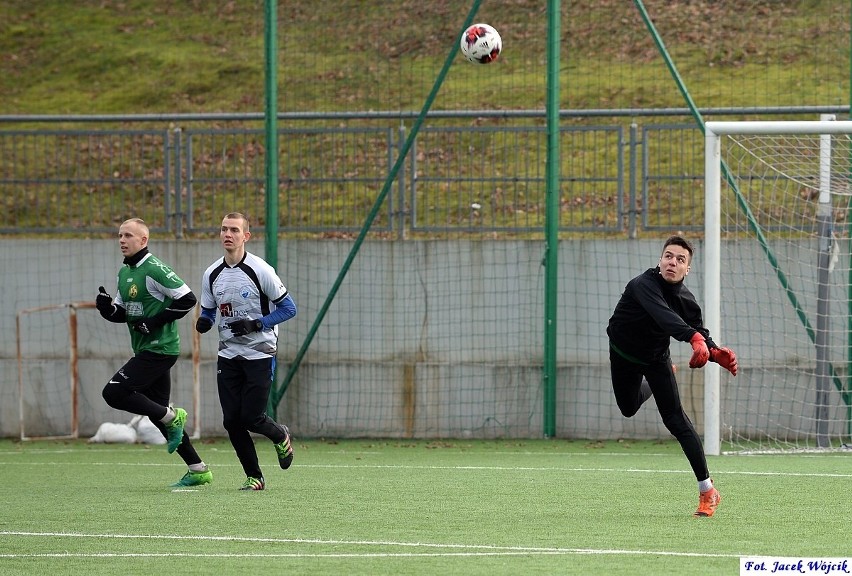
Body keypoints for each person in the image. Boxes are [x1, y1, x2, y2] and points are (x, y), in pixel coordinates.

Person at [607, 235, 738, 518]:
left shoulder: (686, 300)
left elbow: (698, 330)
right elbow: (665, 317)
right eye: (669, 256)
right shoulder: (643, 285)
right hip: (622, 355)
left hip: (655, 360)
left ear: (687, 269)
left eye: (680, 260)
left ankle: (707, 491)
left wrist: (715, 353)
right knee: (628, 408)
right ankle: (652, 386)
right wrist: (693, 338)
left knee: (676, 420)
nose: (673, 262)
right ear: (660, 259)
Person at [96, 218, 212, 488]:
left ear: (143, 240)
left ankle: (173, 415)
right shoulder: (124, 273)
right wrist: (106, 309)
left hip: (160, 349)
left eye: (128, 236)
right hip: (145, 349)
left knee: (113, 392)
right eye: (120, 235)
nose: (122, 240)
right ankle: (198, 468)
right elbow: (122, 314)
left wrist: (155, 322)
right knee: (158, 415)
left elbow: (187, 299)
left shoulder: (154, 269)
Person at [195, 212, 296, 491]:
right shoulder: (212, 273)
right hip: (227, 354)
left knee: (252, 417)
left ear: (246, 236)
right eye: (224, 229)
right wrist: (205, 319)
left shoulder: (260, 270)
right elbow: (210, 307)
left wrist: (257, 323)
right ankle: (255, 477)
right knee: (231, 421)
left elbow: (289, 308)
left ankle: (280, 435)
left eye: (234, 230)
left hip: (260, 353)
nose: (228, 234)